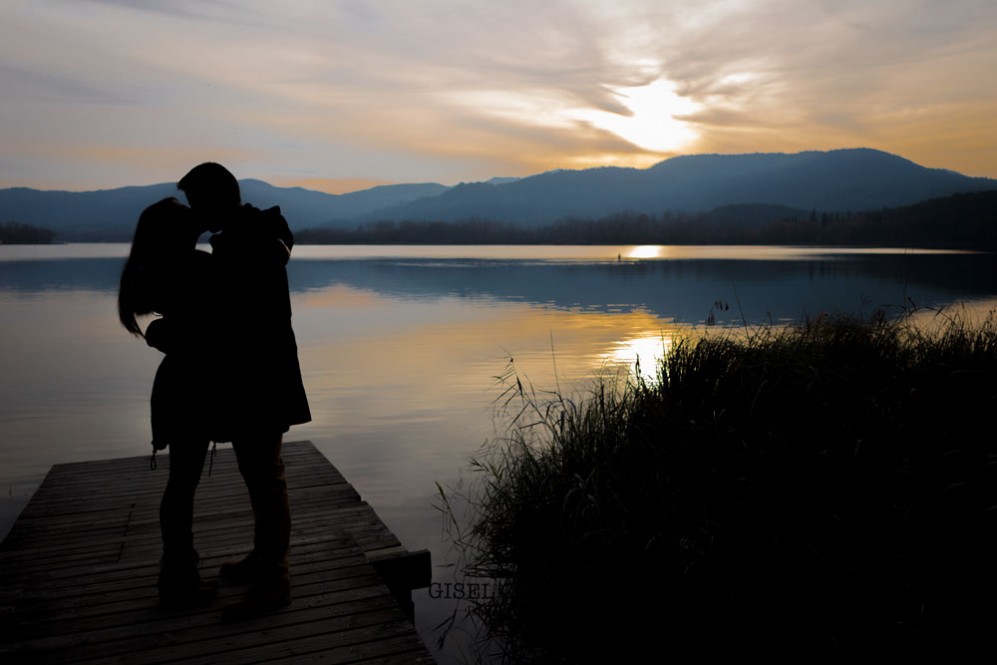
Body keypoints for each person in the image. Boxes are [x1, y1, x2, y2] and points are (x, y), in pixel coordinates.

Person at [176, 162, 312, 622]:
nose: (195, 212)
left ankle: (275, 580)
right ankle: (263, 560)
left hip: (260, 377)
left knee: (266, 478)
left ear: (218, 197)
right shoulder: (251, 234)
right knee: (261, 475)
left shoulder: (246, 242)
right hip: (258, 374)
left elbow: (230, 314)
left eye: (197, 203)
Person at [118, 197, 221, 609]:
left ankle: (178, 570)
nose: (197, 219)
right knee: (182, 483)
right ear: (175, 232)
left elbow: (168, 326)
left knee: (181, 482)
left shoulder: (157, 269)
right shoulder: (190, 266)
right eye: (188, 218)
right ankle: (178, 575)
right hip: (189, 388)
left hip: (177, 384)